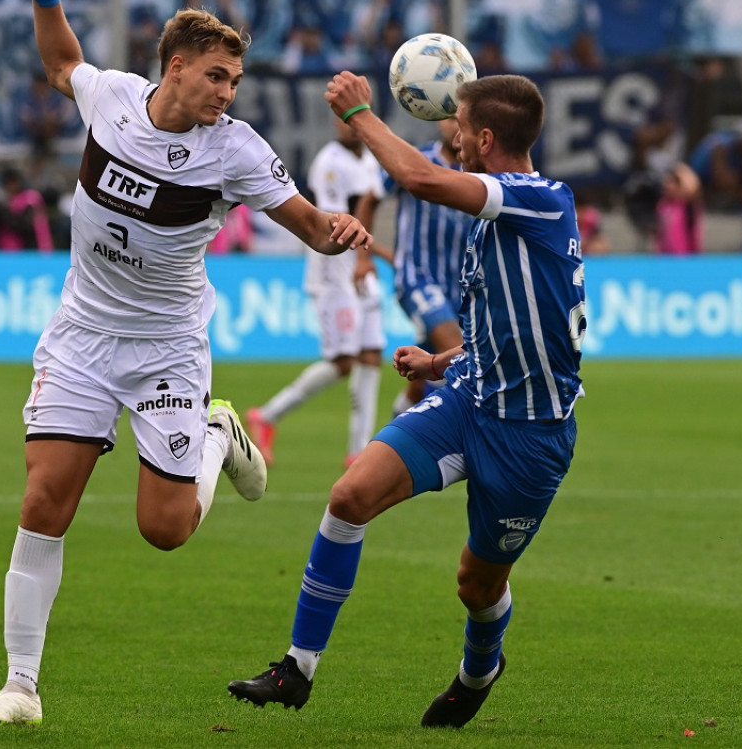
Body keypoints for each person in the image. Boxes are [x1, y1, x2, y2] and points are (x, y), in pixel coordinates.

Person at [0, 0, 373, 727]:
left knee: (166, 529)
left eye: (236, 79)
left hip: (165, 350)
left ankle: (220, 433)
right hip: (82, 334)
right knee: (46, 498)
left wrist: (340, 230)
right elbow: (58, 60)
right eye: (217, 75)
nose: (227, 91)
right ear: (175, 66)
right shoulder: (111, 96)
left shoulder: (237, 152)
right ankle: (21, 685)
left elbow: (307, 223)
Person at [227, 71, 585, 730]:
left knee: (477, 585)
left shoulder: (541, 199)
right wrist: (438, 361)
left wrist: (361, 113)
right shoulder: (498, 220)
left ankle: (480, 670)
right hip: (468, 403)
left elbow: (419, 179)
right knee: (348, 497)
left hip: (531, 436)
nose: (449, 136)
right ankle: (298, 668)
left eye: (457, 125)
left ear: (482, 136)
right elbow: (498, 333)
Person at [246, 117, 388, 469]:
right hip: (335, 270)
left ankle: (359, 451)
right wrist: (365, 258)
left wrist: (373, 256)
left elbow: (365, 217)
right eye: (343, 120)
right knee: (343, 362)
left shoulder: (369, 161)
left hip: (361, 264)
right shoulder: (329, 164)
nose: (351, 127)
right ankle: (266, 416)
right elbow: (335, 226)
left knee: (372, 354)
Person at [351, 116, 471, 417]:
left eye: (461, 118)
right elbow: (371, 199)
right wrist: (363, 257)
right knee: (460, 358)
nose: (454, 124)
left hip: (464, 289)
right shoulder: (417, 163)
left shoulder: (479, 173)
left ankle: (392, 438)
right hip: (417, 278)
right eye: (447, 116)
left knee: (424, 373)